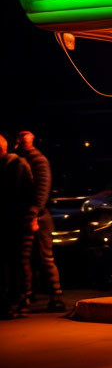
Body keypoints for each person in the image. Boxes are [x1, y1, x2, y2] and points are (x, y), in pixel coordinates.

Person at [15, 131, 64, 312]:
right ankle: (29, 295)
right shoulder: (25, 159)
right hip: (33, 214)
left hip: (38, 216)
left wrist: (34, 212)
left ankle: (55, 296)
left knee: (44, 257)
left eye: (22, 140)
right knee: (27, 258)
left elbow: (42, 187)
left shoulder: (37, 160)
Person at [1, 135, 35, 318]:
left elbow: (29, 193)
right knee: (12, 262)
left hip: (14, 221)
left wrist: (30, 217)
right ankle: (12, 300)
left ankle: (16, 299)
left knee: (15, 262)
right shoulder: (15, 165)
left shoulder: (17, 165)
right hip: (12, 220)